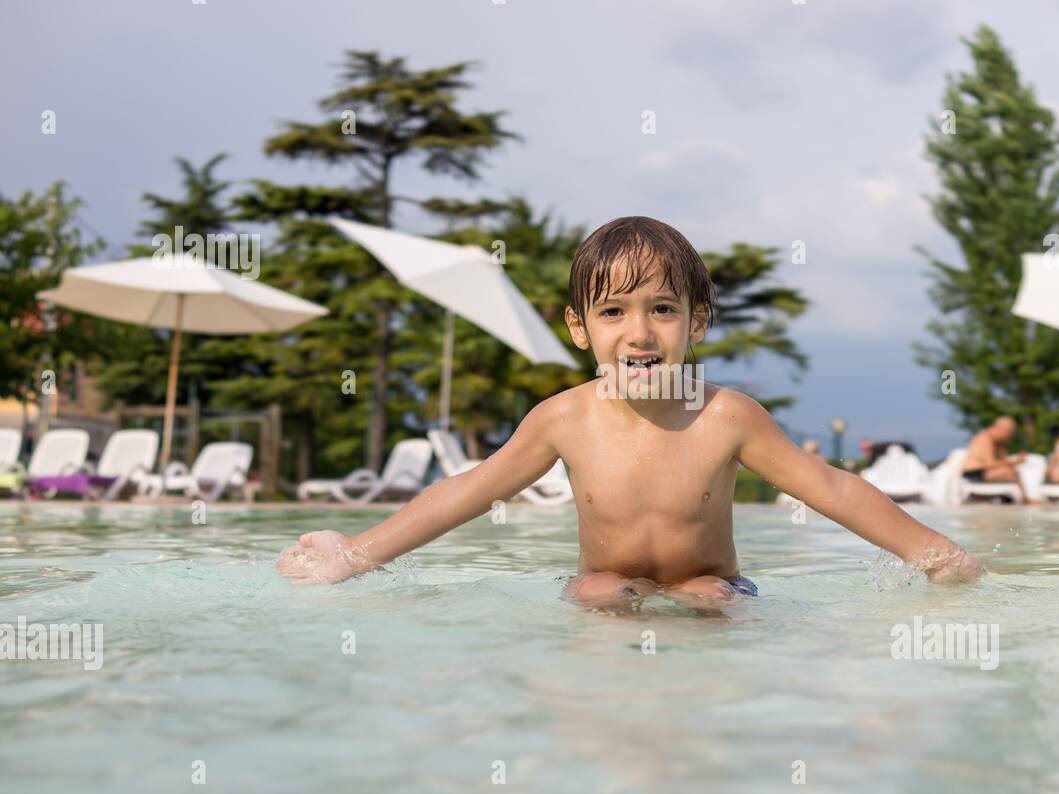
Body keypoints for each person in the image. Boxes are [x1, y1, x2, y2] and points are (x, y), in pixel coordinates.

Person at [278, 216, 984, 607]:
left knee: (709, 597)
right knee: (602, 593)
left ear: (697, 322)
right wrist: (358, 553)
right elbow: (466, 490)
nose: (639, 332)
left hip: (713, 583)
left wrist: (935, 552)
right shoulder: (562, 419)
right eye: (613, 311)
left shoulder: (727, 416)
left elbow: (830, 487)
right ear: (579, 327)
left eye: (663, 310)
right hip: (601, 583)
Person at [961, 416, 1036, 504]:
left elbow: (1002, 461)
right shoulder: (985, 438)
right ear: (1000, 428)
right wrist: (1014, 461)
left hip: (984, 472)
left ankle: (1020, 498)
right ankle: (1025, 499)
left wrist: (1004, 450)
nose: (1010, 435)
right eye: (1009, 432)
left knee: (1011, 471)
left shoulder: (997, 442)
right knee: (1010, 472)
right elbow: (989, 464)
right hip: (974, 472)